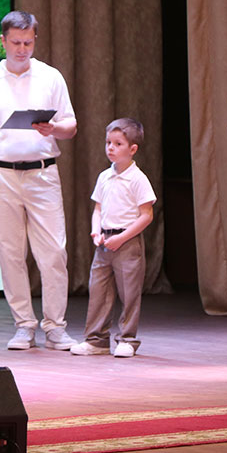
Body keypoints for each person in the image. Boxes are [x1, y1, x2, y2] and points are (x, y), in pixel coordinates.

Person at [0, 10, 78, 351]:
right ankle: (24, 325)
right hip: (0, 174)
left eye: (28, 42)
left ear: (34, 40)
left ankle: (55, 327)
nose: (22, 49)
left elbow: (71, 126)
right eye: (16, 43)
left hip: (42, 172)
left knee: (53, 252)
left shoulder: (50, 77)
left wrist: (53, 128)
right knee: (10, 253)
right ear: (3, 41)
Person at [70, 118, 156, 358]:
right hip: (104, 244)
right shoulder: (104, 177)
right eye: (108, 142)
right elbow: (98, 209)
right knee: (98, 291)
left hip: (127, 242)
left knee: (129, 294)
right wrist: (96, 231)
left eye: (118, 144)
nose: (111, 148)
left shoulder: (137, 178)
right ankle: (96, 340)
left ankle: (127, 338)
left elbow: (146, 215)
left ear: (132, 149)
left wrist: (122, 238)